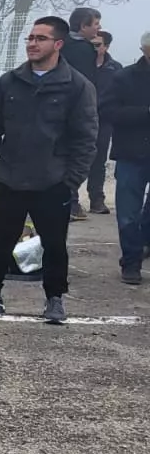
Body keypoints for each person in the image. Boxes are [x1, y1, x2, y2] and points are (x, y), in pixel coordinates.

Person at [0, 16, 98, 324]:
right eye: (30, 38)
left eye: (40, 38)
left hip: (52, 182)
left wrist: (70, 181)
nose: (32, 43)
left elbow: (86, 139)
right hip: (7, 178)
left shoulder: (77, 86)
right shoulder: (10, 81)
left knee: (54, 244)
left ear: (58, 44)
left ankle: (54, 299)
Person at [100, 31, 150, 284]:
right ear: (145, 50)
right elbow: (108, 111)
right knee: (128, 213)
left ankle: (144, 244)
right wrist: (145, 112)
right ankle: (131, 262)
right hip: (132, 155)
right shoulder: (124, 78)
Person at [61, 6, 108, 217]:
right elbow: (91, 80)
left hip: (64, 109)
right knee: (83, 155)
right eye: (95, 24)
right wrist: (98, 59)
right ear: (83, 26)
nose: (98, 29)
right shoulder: (83, 50)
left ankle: (72, 202)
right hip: (80, 111)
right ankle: (73, 202)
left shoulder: (63, 45)